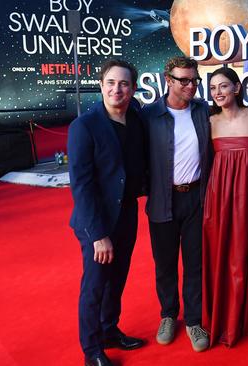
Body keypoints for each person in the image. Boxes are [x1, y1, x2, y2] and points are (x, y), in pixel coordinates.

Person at [68, 59, 146, 366]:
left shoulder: (137, 119)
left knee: (118, 280)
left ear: (133, 89)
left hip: (127, 215)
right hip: (96, 222)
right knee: (95, 285)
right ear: (101, 86)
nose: (117, 89)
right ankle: (92, 351)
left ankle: (110, 330)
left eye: (124, 84)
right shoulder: (84, 126)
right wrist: (98, 235)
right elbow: (82, 185)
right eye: (111, 83)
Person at [141, 56, 211, 352]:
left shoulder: (203, 110)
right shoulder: (148, 115)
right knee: (165, 264)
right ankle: (168, 315)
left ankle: (194, 321)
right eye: (184, 80)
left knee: (194, 264)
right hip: (162, 200)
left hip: (196, 198)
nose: (191, 85)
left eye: (194, 79)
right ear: (167, 79)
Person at [202, 67, 248, 347]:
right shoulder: (209, 123)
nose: (218, 92)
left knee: (245, 253)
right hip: (218, 197)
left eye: (224, 86)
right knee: (220, 254)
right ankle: (221, 318)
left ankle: (245, 318)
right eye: (214, 88)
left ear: (237, 87)